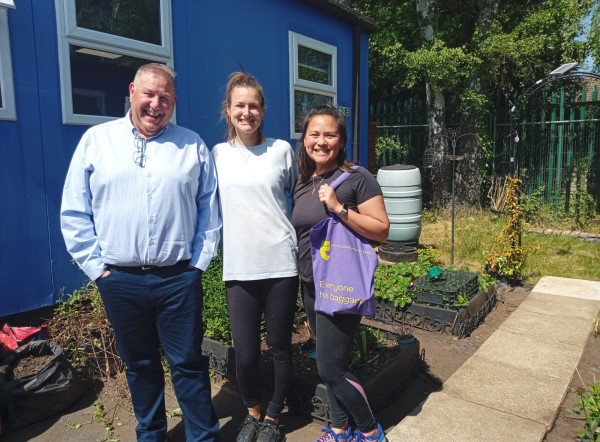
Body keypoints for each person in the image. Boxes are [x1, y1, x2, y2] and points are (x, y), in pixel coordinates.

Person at [60, 63, 221, 442]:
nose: (156, 103)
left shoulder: (192, 144)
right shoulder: (97, 141)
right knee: (140, 365)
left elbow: (209, 211)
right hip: (120, 280)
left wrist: (197, 264)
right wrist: (97, 269)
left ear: (174, 102)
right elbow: (74, 210)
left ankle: (203, 437)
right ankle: (150, 435)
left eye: (165, 97)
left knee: (188, 364)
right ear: (132, 91)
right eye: (149, 93)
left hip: (178, 278)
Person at [291, 105, 390, 442]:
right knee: (329, 361)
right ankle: (338, 429)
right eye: (314, 134)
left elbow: (381, 229)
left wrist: (339, 208)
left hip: (341, 283)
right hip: (311, 283)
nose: (321, 141)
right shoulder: (304, 179)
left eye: (329, 134)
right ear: (304, 140)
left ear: (342, 140)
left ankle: (370, 431)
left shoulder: (358, 178)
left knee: (330, 368)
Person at [212, 72, 299, 442]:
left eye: (253, 105)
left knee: (279, 347)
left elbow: (300, 196)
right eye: (239, 106)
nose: (246, 112)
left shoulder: (281, 150)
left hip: (280, 263)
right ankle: (252, 412)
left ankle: (274, 418)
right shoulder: (217, 155)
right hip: (239, 267)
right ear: (228, 111)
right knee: (246, 353)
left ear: (262, 110)